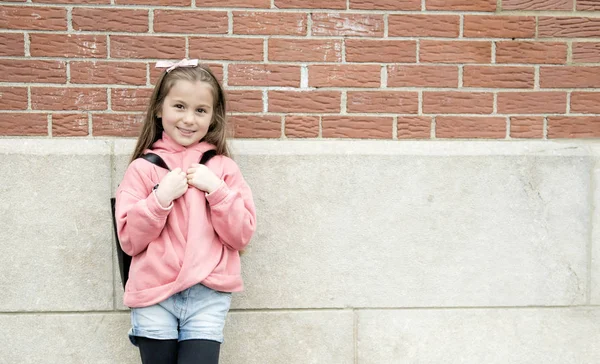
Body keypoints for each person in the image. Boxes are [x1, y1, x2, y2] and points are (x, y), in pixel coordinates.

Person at [114, 59, 256, 364]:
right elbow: (129, 240)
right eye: (179, 106)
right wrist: (159, 199)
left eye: (200, 110)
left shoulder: (223, 169)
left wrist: (216, 191)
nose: (189, 119)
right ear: (159, 108)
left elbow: (241, 234)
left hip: (207, 296)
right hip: (154, 296)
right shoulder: (142, 169)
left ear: (213, 117)